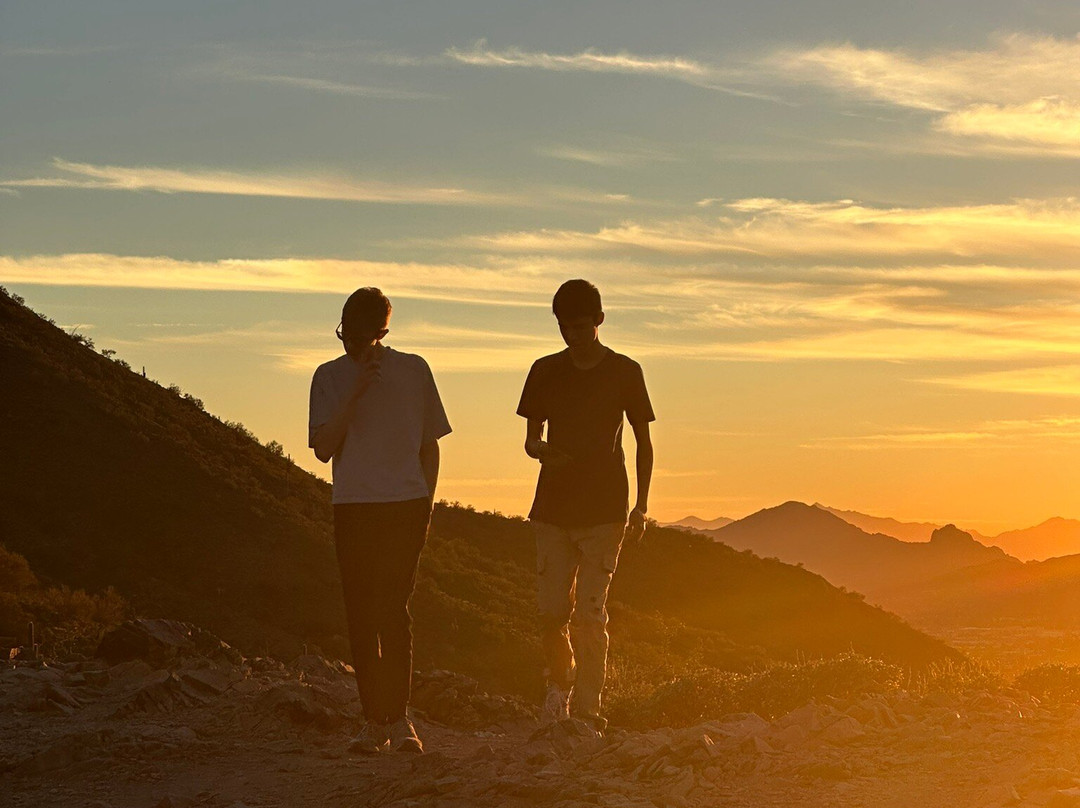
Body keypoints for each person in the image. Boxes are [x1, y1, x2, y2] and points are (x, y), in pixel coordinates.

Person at [308, 287, 451, 754]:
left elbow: (430, 443)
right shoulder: (327, 377)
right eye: (345, 334)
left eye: (361, 336)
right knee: (361, 613)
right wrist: (356, 391)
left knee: (393, 610)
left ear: (381, 332)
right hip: (353, 506)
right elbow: (325, 446)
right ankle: (374, 721)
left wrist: (427, 502)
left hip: (406, 504)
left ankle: (400, 720)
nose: (351, 344)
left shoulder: (414, 370)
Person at [516, 279, 655, 734]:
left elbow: (643, 441)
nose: (572, 335)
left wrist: (642, 506)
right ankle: (561, 686)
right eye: (563, 327)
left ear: (599, 319)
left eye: (579, 326)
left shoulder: (625, 371)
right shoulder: (543, 370)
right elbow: (531, 438)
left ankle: (588, 714)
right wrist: (541, 451)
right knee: (551, 613)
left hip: (606, 508)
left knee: (591, 614)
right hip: (553, 508)